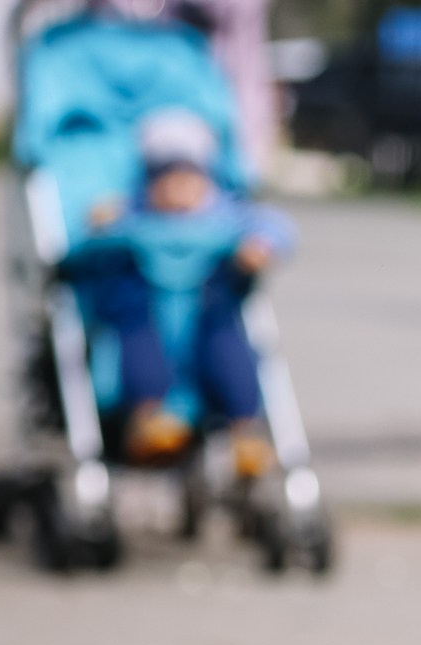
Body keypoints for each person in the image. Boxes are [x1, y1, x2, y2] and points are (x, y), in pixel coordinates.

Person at [71, 107, 292, 470]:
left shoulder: (226, 216)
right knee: (133, 328)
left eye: (189, 180)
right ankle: (148, 418)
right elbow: (86, 247)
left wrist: (261, 246)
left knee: (229, 341)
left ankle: (245, 429)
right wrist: (100, 224)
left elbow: (276, 226)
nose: (178, 192)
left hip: (208, 310)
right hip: (146, 310)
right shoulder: (131, 215)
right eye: (166, 181)